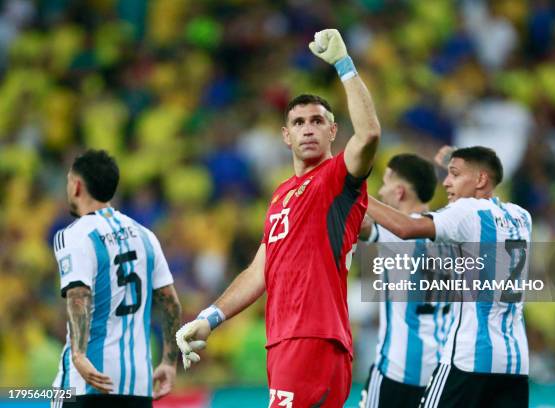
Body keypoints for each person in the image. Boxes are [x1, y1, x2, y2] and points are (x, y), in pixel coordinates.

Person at [176, 29, 381, 408]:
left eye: (318, 121)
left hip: (311, 338)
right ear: (286, 136)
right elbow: (260, 270)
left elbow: (368, 135)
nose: (308, 128)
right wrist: (210, 318)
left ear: (333, 131)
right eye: (299, 122)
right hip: (288, 341)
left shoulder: (336, 180)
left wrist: (344, 65)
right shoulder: (280, 196)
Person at [366, 146, 530, 408]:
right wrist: (464, 164)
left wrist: (355, 190)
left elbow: (407, 227)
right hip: (514, 361)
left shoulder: (467, 212)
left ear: (480, 180)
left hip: (469, 356)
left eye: (454, 174)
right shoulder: (522, 217)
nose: (446, 182)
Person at [51, 150, 182, 408]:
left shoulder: (73, 235)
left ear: (76, 185)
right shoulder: (145, 236)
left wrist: (78, 354)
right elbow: (170, 303)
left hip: (87, 381)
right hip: (138, 384)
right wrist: (168, 361)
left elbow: (79, 295)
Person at [359, 154, 452, 408]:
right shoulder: (451, 234)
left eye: (386, 182)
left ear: (400, 192)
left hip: (396, 368)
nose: (381, 189)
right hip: (439, 370)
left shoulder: (399, 232)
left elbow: (359, 226)